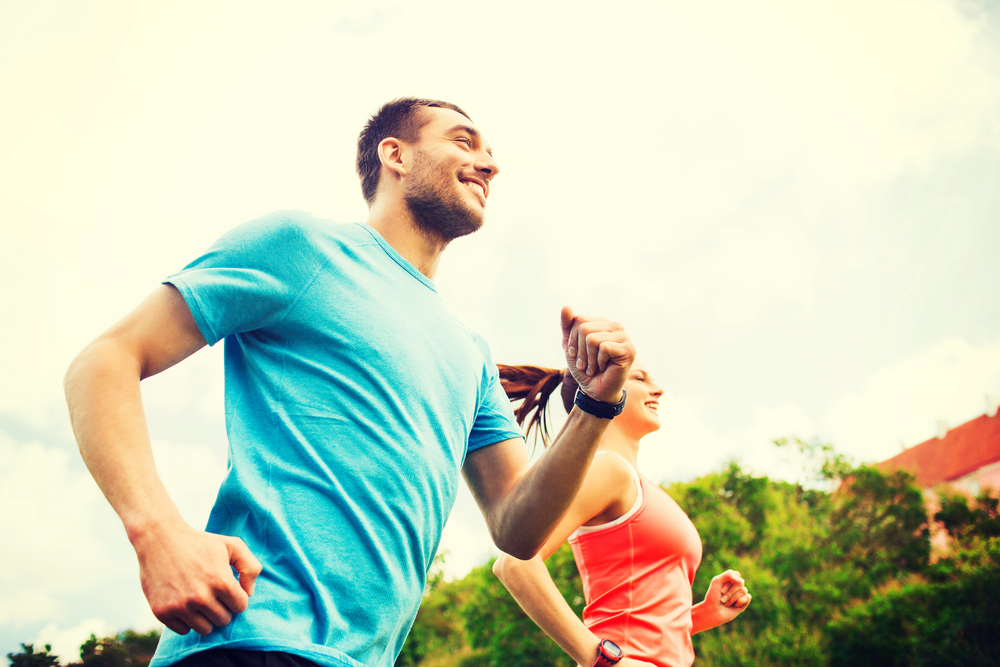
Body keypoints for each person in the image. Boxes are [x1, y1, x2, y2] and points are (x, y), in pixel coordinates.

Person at [63, 98, 637, 667]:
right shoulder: (302, 247)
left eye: (490, 153)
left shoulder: (471, 354)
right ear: (396, 155)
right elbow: (106, 359)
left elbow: (519, 528)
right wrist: (159, 535)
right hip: (252, 640)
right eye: (464, 141)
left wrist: (594, 404)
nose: (489, 164)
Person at [493, 360, 752, 667]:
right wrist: (600, 658)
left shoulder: (641, 485)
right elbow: (514, 564)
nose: (658, 389)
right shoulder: (608, 469)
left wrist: (703, 614)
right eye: (640, 378)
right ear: (605, 390)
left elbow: (638, 619)